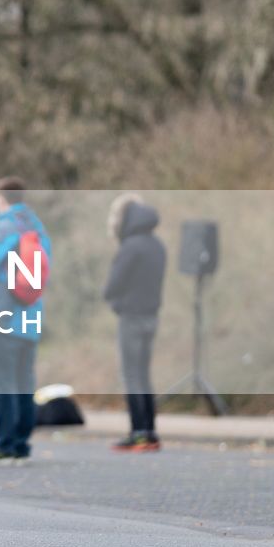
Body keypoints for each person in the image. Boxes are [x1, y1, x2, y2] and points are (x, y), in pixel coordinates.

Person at [0, 177, 50, 466]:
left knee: (2, 383)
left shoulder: (4, 228)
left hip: (0, 317)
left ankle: (3, 443)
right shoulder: (38, 229)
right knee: (24, 382)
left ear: (0, 199)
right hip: (30, 317)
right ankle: (21, 444)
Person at [103, 194, 167, 452]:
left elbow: (111, 287)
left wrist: (117, 301)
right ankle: (150, 431)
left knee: (131, 376)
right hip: (152, 317)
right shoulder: (157, 245)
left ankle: (138, 431)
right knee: (144, 375)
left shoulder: (130, 247)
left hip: (131, 317)